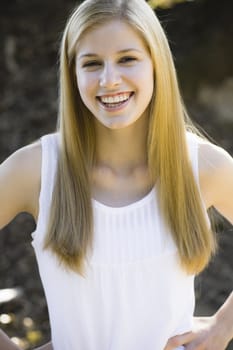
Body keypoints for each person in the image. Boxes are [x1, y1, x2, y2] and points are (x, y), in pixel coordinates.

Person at [0, 0, 233, 349]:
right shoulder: (36, 169)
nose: (109, 80)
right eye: (92, 63)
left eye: (127, 59)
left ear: (156, 64)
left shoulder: (202, 165)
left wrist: (221, 328)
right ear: (72, 73)